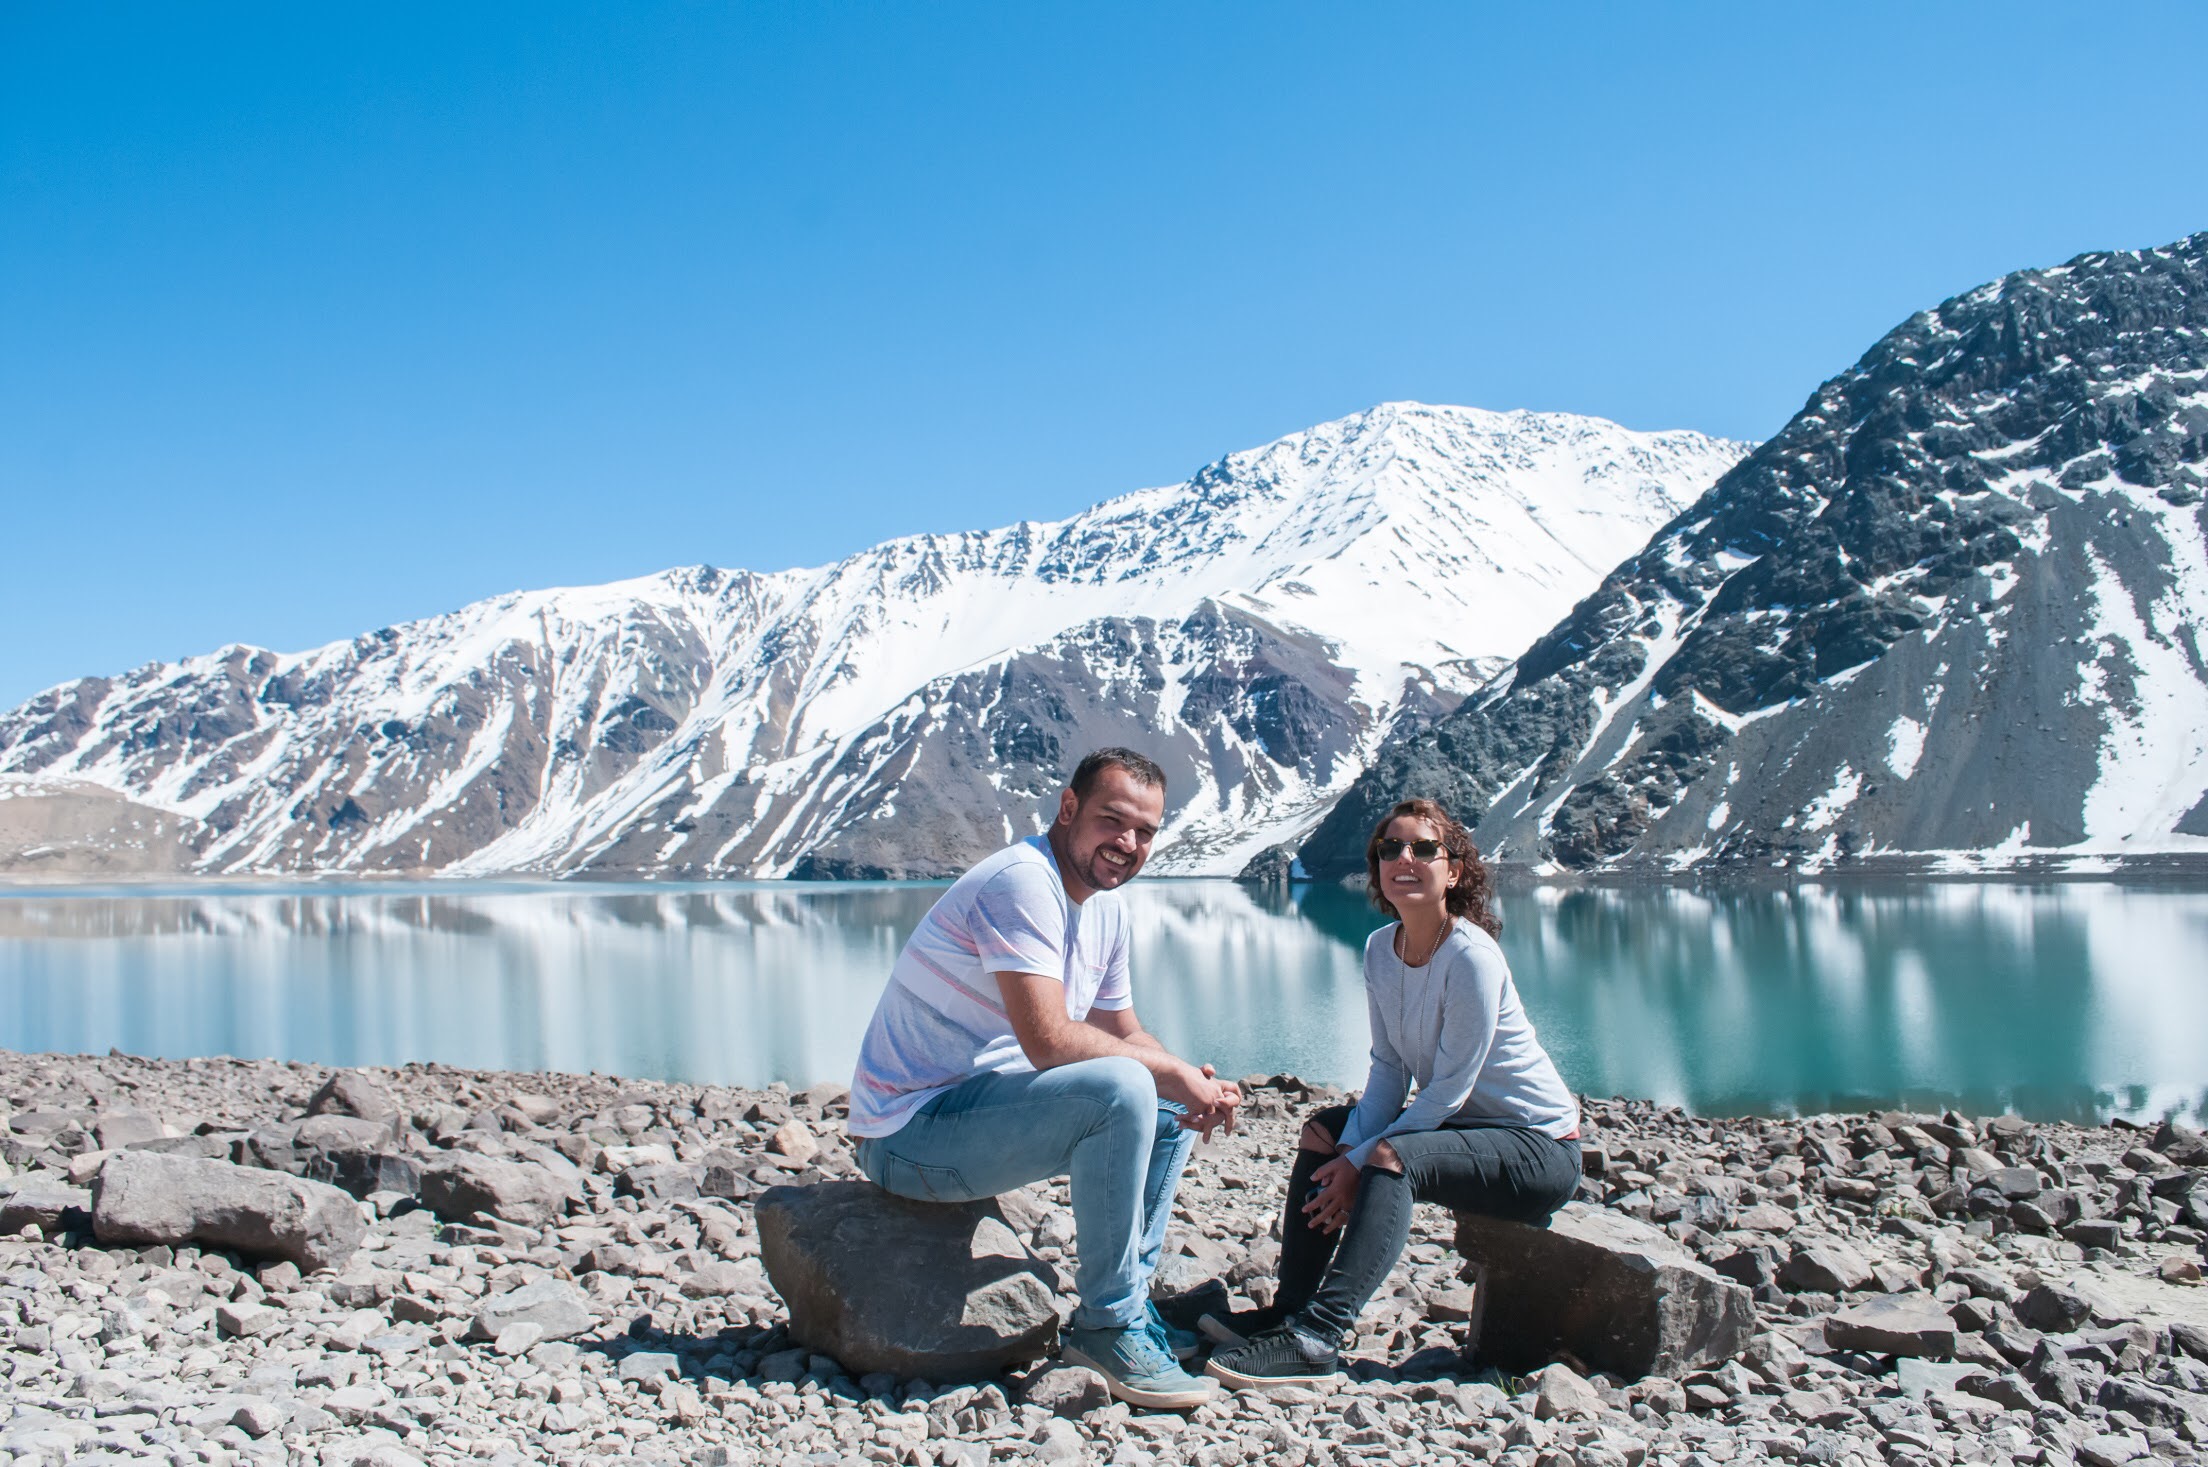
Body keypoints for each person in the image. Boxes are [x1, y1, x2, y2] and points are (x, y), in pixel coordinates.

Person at [846, 747, 1240, 1410]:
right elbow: (1051, 1041)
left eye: (1145, 831)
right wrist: (1166, 1073)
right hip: (908, 1133)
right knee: (1126, 1087)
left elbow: (1122, 1031)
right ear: (1068, 808)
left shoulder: (1105, 904)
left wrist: (1193, 1082)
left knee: (1161, 1099)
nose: (1128, 843)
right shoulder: (1024, 881)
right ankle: (1107, 1328)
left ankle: (1130, 1307)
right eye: (1113, 820)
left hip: (981, 1112)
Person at [1198, 797, 1581, 1390]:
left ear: (1453, 870)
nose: (1405, 858)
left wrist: (1359, 1163)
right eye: (1390, 849)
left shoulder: (1472, 956)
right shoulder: (1382, 947)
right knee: (1323, 1131)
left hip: (1537, 1145)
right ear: (1377, 869)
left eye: (1424, 848)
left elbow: (1447, 1092)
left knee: (1387, 1157)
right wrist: (1342, 1152)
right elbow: (1388, 1070)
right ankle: (1290, 1311)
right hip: (1468, 1130)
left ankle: (1319, 1336)